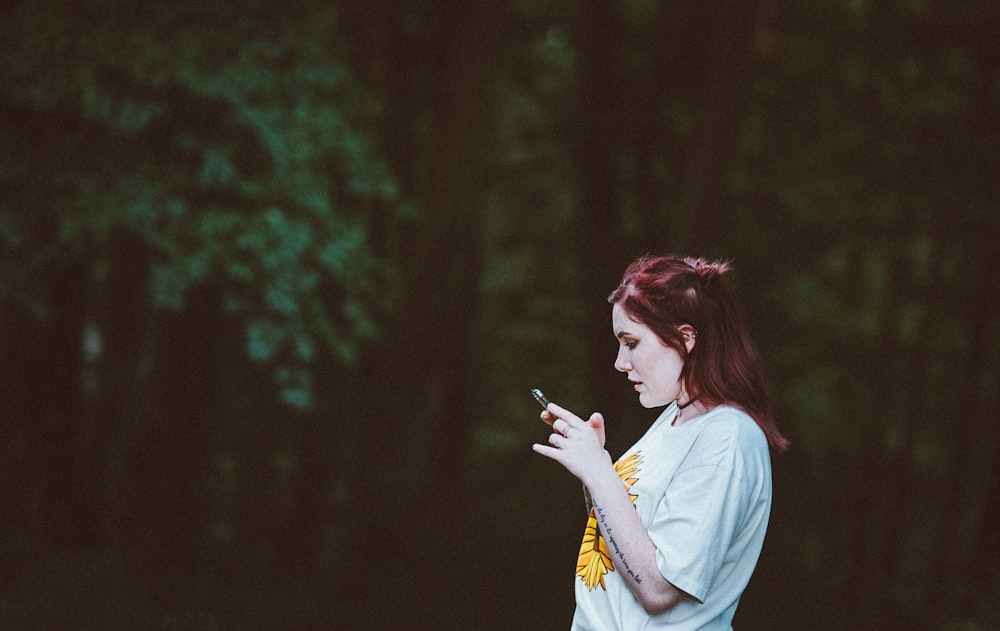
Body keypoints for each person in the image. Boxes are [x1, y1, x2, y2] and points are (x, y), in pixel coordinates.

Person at [533, 254, 788, 630]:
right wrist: (594, 469)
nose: (620, 362)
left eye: (631, 342)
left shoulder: (726, 439)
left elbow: (658, 589)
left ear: (686, 338)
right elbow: (625, 542)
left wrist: (600, 471)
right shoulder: (675, 418)